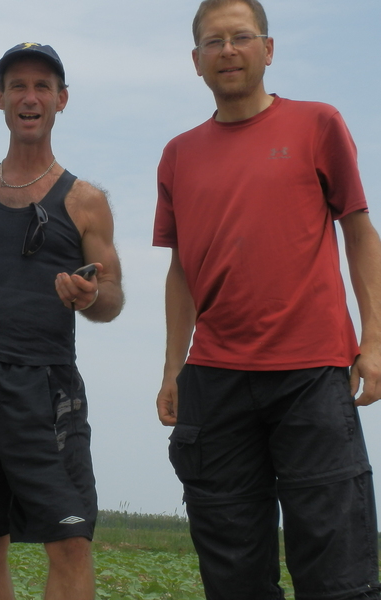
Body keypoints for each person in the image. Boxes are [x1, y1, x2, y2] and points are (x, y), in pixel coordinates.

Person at [153, 1, 381, 598]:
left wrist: (375, 342)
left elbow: (359, 233)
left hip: (312, 377)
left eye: (241, 37)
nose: (228, 49)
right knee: (233, 579)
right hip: (214, 384)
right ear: (196, 61)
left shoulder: (318, 124)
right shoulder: (179, 154)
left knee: (340, 577)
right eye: (213, 41)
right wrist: (173, 366)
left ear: (268, 49)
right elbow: (182, 270)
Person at [0, 43, 124, 600]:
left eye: (41, 87)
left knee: (71, 541)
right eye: (16, 86)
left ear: (61, 100)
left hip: (46, 383)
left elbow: (113, 295)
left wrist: (87, 296)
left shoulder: (85, 201)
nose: (29, 97)